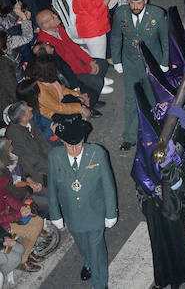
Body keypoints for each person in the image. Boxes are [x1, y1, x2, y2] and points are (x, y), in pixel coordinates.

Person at [48, 113, 117, 288]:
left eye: (78, 145)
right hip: (72, 216)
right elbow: (53, 187)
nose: (74, 150)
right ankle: (88, 263)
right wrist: (55, 214)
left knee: (97, 251)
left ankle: (100, 283)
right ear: (62, 142)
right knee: (82, 244)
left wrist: (111, 213)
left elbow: (108, 185)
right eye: (69, 146)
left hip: (95, 213)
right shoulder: (55, 156)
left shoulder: (97, 153)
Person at [111, 0, 168, 151]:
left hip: (152, 64)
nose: (135, 6)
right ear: (127, 0)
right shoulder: (121, 14)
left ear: (146, 1)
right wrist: (117, 60)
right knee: (130, 100)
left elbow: (165, 40)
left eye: (139, 2)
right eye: (132, 2)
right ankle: (129, 136)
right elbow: (115, 37)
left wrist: (164, 63)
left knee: (153, 98)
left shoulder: (158, 15)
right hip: (130, 63)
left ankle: (158, 131)